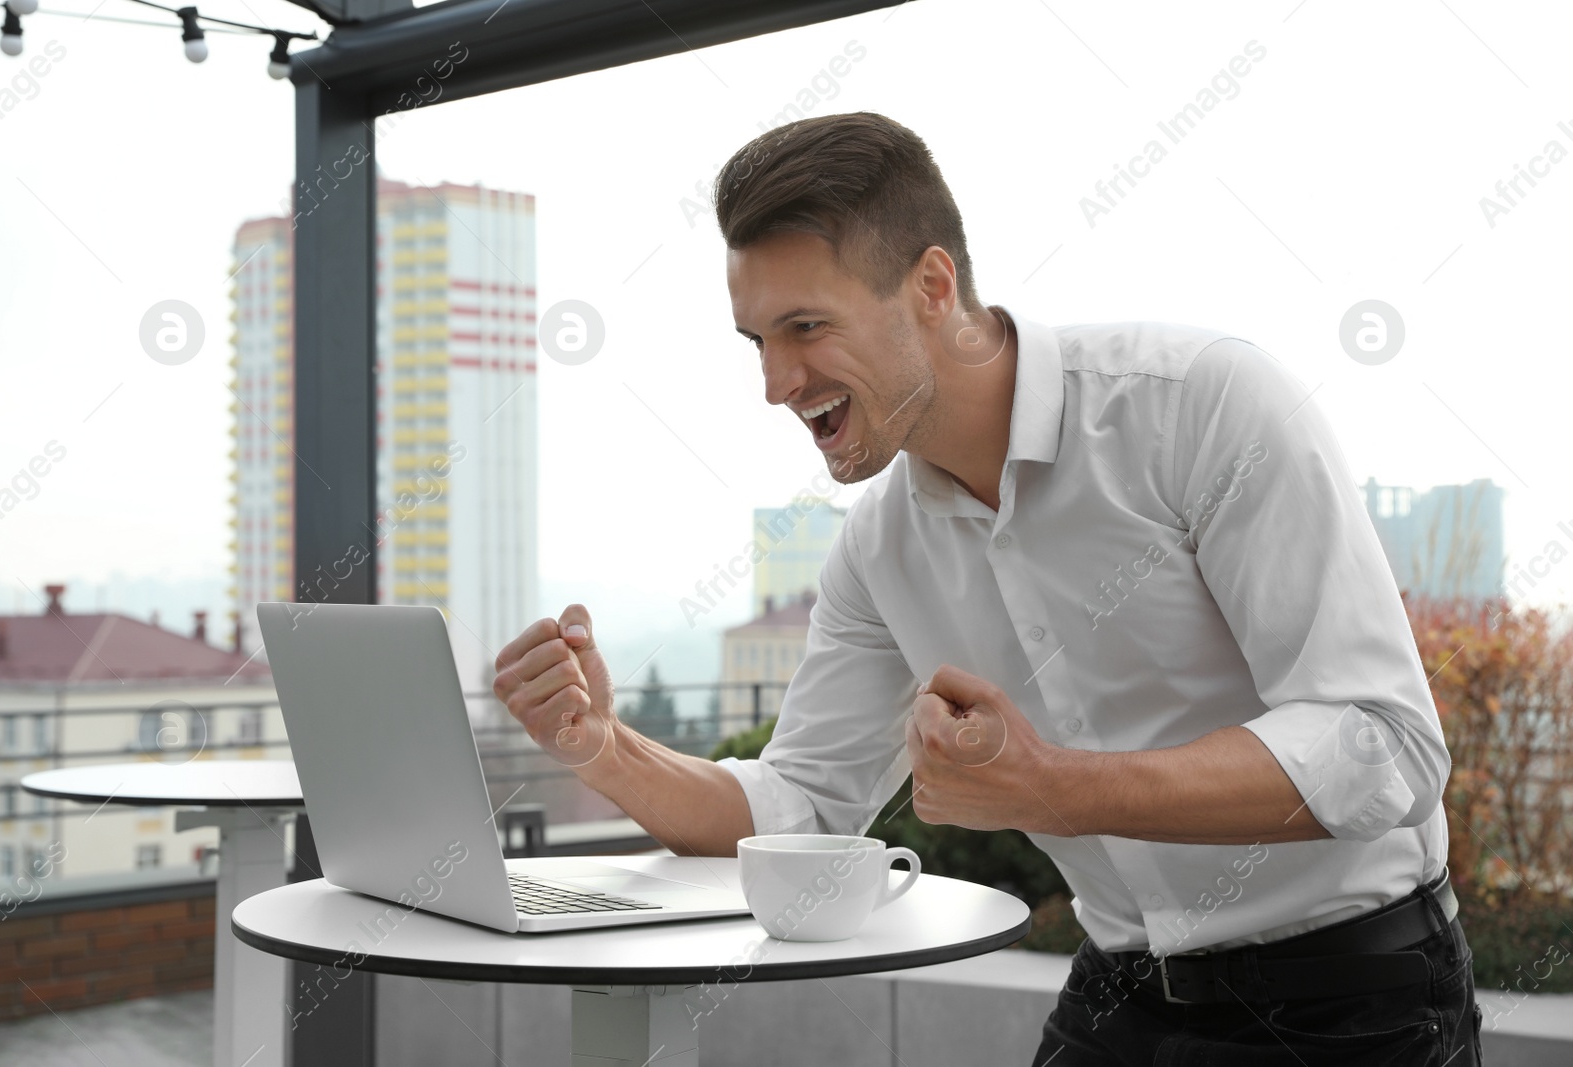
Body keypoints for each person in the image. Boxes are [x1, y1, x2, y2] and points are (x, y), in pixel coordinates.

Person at [493, 112, 1481, 1065]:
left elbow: (1381, 745)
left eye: (806, 326)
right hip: (1121, 986)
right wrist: (603, 747)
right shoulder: (878, 548)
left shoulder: (1199, 407)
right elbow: (797, 807)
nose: (777, 382)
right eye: (757, 339)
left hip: (1352, 997)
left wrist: (1057, 784)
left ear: (932, 286)